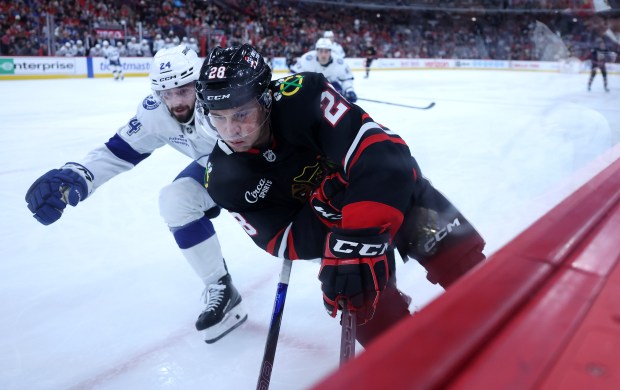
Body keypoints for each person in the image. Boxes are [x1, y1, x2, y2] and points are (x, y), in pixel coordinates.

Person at [194, 44, 485, 346]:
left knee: (473, 276)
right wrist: (326, 209)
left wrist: (351, 225)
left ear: (266, 99)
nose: (232, 130)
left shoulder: (304, 95)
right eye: (219, 118)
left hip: (391, 198)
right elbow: (281, 240)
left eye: (242, 114)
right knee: (380, 329)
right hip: (336, 235)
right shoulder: (222, 179)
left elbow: (384, 156)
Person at [24, 44, 247, 344]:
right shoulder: (156, 112)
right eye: (166, 93)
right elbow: (117, 151)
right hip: (217, 170)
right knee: (174, 201)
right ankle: (220, 285)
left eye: (182, 90)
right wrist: (77, 175)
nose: (176, 102)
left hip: (259, 168)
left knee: (305, 230)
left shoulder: (225, 98)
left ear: (198, 82)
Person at [290, 37, 357, 103]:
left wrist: (349, 90)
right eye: (321, 51)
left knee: (337, 89)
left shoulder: (340, 62)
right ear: (316, 51)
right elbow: (294, 75)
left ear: (331, 52)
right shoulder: (306, 59)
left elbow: (346, 79)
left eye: (326, 51)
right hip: (311, 88)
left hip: (331, 88)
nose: (323, 55)